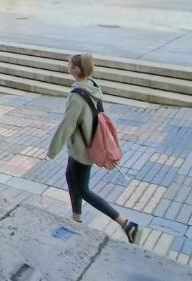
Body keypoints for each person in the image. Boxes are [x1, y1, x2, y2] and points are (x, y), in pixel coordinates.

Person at [47, 52, 140, 243]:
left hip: (83, 150)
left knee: (83, 190)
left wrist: (51, 151)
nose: (68, 66)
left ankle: (126, 224)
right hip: (86, 145)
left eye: (70, 64)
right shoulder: (93, 85)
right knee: (70, 178)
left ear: (76, 70)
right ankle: (76, 219)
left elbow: (67, 125)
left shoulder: (77, 96)